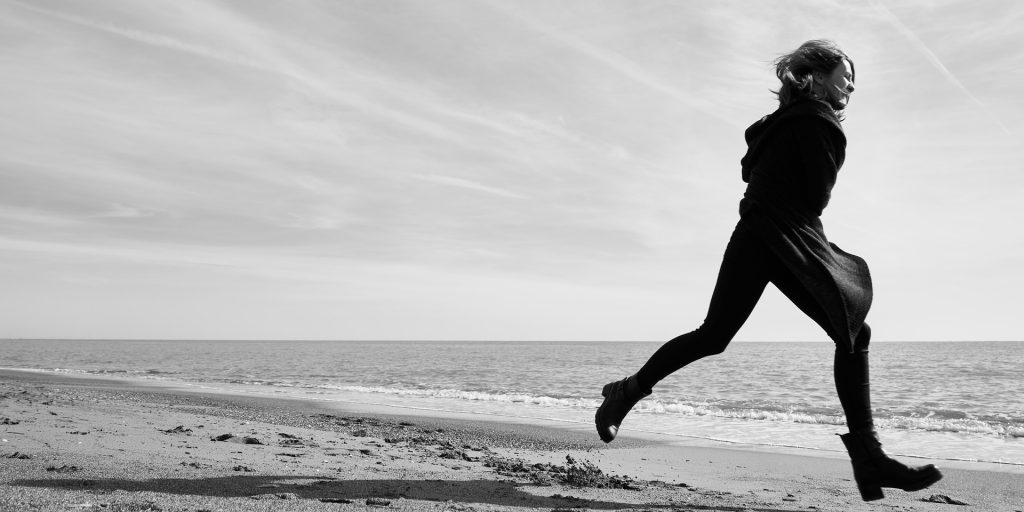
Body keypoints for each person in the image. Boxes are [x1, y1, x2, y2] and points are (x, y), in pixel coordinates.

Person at [594, 40, 943, 502]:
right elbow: (816, 198)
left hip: (757, 231)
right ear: (816, 77)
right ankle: (869, 457)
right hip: (782, 235)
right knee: (853, 332)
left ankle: (626, 392)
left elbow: (760, 173)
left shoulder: (774, 126)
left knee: (715, 335)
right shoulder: (819, 124)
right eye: (846, 75)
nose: (852, 86)